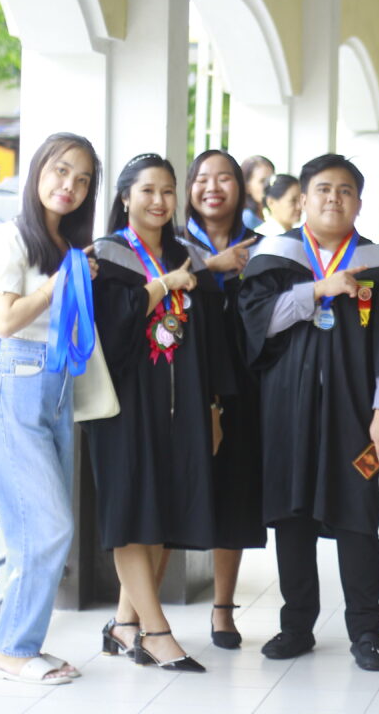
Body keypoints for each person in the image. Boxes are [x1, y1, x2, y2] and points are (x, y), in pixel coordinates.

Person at [238, 154, 379, 671]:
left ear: (359, 202)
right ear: (303, 199)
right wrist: (318, 288)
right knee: (291, 514)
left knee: (357, 515)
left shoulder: (378, 264)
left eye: (345, 191)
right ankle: (296, 626)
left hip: (357, 415)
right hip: (286, 411)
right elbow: (258, 325)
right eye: (323, 189)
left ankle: (365, 630)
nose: (333, 198)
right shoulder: (276, 257)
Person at [88, 153, 230, 673]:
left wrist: (213, 407)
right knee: (131, 510)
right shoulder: (105, 257)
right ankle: (157, 632)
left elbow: (212, 342)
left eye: (168, 190)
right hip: (124, 407)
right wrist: (163, 285)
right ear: (125, 197)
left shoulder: (188, 256)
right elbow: (110, 332)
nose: (159, 200)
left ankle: (125, 623)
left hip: (183, 404)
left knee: (163, 509)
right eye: (147, 190)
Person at [0, 133, 101, 685]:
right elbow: (4, 321)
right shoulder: (10, 237)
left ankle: (21, 645)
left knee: (34, 527)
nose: (69, 185)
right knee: (48, 525)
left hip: (56, 385)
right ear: (37, 170)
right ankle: (13, 650)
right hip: (17, 380)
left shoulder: (67, 245)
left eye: (83, 179)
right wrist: (58, 286)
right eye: (61, 171)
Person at [184, 149, 265, 649]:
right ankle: (136, 613)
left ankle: (223, 609)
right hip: (184, 382)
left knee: (234, 494)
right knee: (173, 492)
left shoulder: (262, 247)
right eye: (202, 178)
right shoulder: (172, 246)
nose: (212, 188)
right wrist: (209, 266)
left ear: (241, 187)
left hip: (246, 384)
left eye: (224, 179)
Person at [241, 155, 275, 230]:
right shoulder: (247, 218)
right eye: (262, 181)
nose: (268, 185)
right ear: (247, 187)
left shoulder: (271, 214)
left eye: (271, 180)